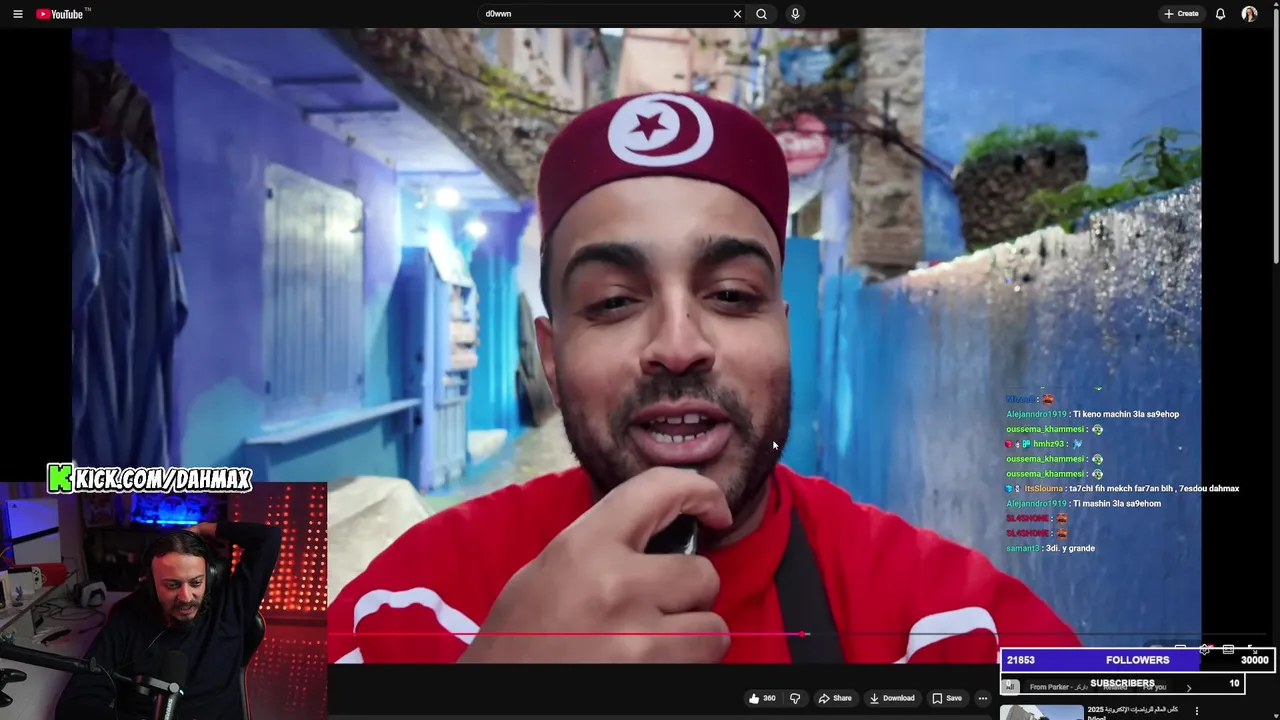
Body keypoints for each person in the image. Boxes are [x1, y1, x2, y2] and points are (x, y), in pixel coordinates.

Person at [328, 92, 1081, 664]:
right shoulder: (409, 608)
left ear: (784, 330)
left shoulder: (941, 626)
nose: (679, 345)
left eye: (731, 294)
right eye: (613, 302)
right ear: (551, 359)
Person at [57, 521, 282, 719]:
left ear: (209, 577)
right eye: (172, 585)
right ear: (151, 584)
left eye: (196, 583)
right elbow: (76, 705)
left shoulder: (231, 606)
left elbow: (268, 537)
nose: (186, 598)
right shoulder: (128, 618)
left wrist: (203, 528)